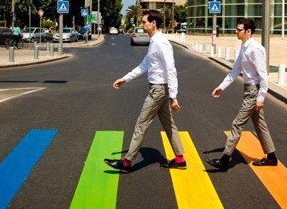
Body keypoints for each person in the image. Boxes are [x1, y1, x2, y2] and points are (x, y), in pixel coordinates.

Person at [104, 9, 186, 172]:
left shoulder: (161, 42)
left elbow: (171, 69)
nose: (142, 24)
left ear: (153, 23)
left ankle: (127, 163)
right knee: (169, 124)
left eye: (144, 22)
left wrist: (174, 96)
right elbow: (144, 65)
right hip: (160, 89)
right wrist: (125, 79)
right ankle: (180, 159)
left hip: (158, 91)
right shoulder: (155, 42)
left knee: (141, 124)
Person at [205, 18, 277, 171]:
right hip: (248, 89)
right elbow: (235, 70)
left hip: (254, 91)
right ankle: (271, 157)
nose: (236, 32)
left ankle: (225, 159)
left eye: (239, 30)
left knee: (237, 124)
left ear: (248, 32)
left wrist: (260, 97)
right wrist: (221, 87)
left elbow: (263, 75)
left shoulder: (255, 49)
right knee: (260, 124)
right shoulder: (244, 47)